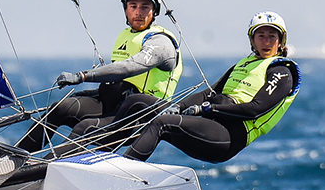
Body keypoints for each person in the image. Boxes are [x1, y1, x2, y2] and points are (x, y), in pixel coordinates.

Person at [17, 0, 183, 152]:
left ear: (154, 11)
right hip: (111, 108)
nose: (138, 12)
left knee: (85, 128)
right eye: (133, 6)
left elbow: (128, 67)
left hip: (138, 119)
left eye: (145, 7)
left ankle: (42, 169)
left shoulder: (161, 41)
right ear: (125, 9)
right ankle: (15, 160)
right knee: (60, 109)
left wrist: (83, 76)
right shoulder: (125, 35)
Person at [122, 11, 300, 163]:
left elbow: (255, 110)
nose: (266, 41)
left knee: (162, 123)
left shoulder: (282, 71)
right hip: (209, 120)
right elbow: (210, 92)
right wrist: (179, 107)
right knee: (140, 102)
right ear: (252, 41)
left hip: (230, 135)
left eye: (272, 36)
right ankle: (105, 153)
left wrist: (208, 109)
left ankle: (124, 171)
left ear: (281, 41)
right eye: (261, 36)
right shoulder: (245, 63)